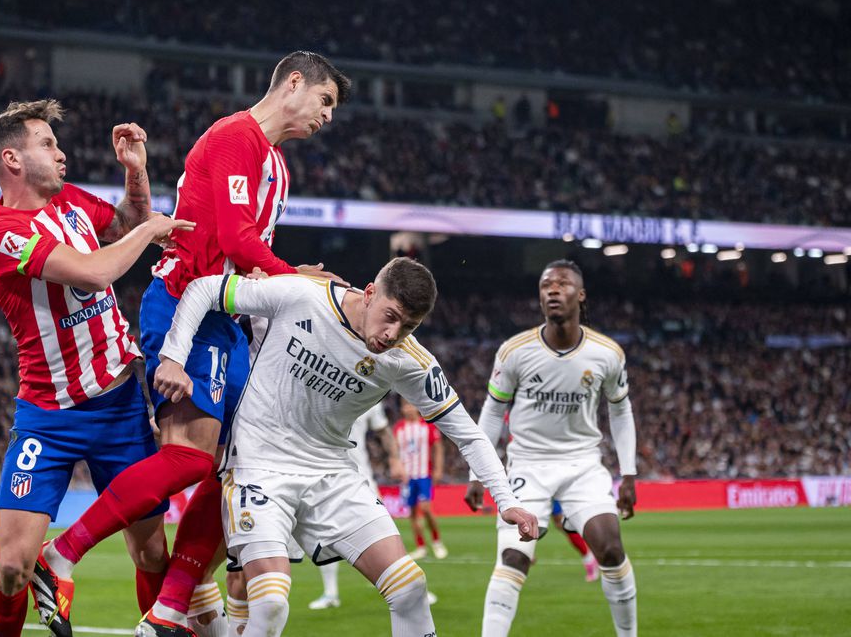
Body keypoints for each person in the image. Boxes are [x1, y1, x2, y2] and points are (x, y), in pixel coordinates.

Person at [37, 51, 351, 637]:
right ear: (294, 83)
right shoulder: (236, 137)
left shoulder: (275, 163)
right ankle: (61, 554)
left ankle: (171, 609)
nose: (327, 115)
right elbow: (234, 237)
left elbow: (247, 251)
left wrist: (282, 281)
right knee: (191, 458)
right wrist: (296, 281)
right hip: (188, 305)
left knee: (234, 468)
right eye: (325, 100)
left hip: (227, 319)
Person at [154, 258, 539, 636]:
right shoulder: (303, 296)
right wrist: (173, 357)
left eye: (409, 326)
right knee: (270, 602)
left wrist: (507, 501)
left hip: (332, 476)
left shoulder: (409, 361)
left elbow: (469, 433)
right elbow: (205, 289)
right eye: (390, 316)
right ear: (370, 293)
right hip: (259, 468)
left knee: (410, 588)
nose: (393, 334)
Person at [0, 99, 193, 637]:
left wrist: (136, 171)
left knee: (150, 555)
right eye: (47, 143)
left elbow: (124, 224)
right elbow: (96, 272)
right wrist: (153, 231)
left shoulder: (70, 201)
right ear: (12, 160)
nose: (61, 152)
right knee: (11, 570)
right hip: (50, 417)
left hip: (120, 407)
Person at [464, 259, 638, 637]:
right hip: (527, 466)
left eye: (562, 284)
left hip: (583, 466)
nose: (553, 290)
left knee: (610, 549)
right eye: (546, 285)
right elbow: (493, 411)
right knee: (513, 557)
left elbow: (621, 410)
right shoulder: (515, 351)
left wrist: (628, 474)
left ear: (581, 295)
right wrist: (477, 472)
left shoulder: (607, 354)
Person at [308, 402, 395, 610]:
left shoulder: (371, 390)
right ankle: (331, 594)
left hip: (361, 477)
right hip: (324, 476)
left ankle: (406, 586)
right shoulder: (317, 384)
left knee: (386, 532)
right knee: (325, 535)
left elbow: (383, 430)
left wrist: (395, 459)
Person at [393, 400, 448, 561]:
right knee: (412, 512)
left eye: (411, 405)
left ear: (416, 407)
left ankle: (437, 542)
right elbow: (394, 450)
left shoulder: (427, 426)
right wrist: (397, 467)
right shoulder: (399, 428)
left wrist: (438, 469)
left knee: (426, 509)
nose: (408, 409)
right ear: (402, 409)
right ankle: (421, 546)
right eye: (405, 406)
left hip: (424, 474)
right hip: (407, 477)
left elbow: (438, 448)